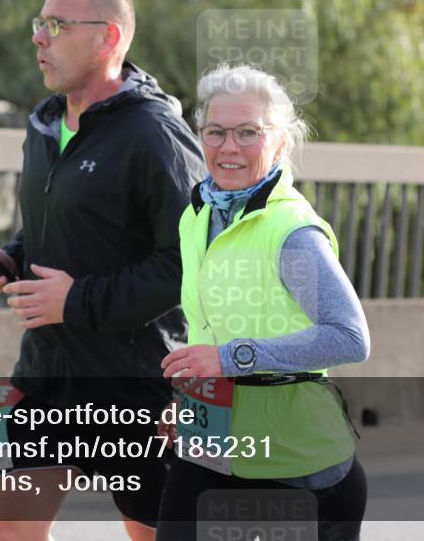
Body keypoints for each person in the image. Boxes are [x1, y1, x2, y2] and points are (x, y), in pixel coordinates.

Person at [0, 0, 204, 541]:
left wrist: (76, 300)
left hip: (134, 382)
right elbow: (60, 224)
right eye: (39, 23)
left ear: (107, 37)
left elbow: (190, 262)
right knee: (12, 534)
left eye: (57, 25)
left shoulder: (156, 133)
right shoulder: (44, 124)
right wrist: (12, 258)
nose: (39, 38)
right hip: (46, 372)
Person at [156, 64, 370, 541]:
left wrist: (228, 360)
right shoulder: (198, 215)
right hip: (210, 451)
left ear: (280, 143)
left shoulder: (291, 233)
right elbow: (212, 326)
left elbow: (349, 337)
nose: (228, 147)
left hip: (295, 467)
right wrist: (191, 399)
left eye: (248, 132)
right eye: (215, 132)